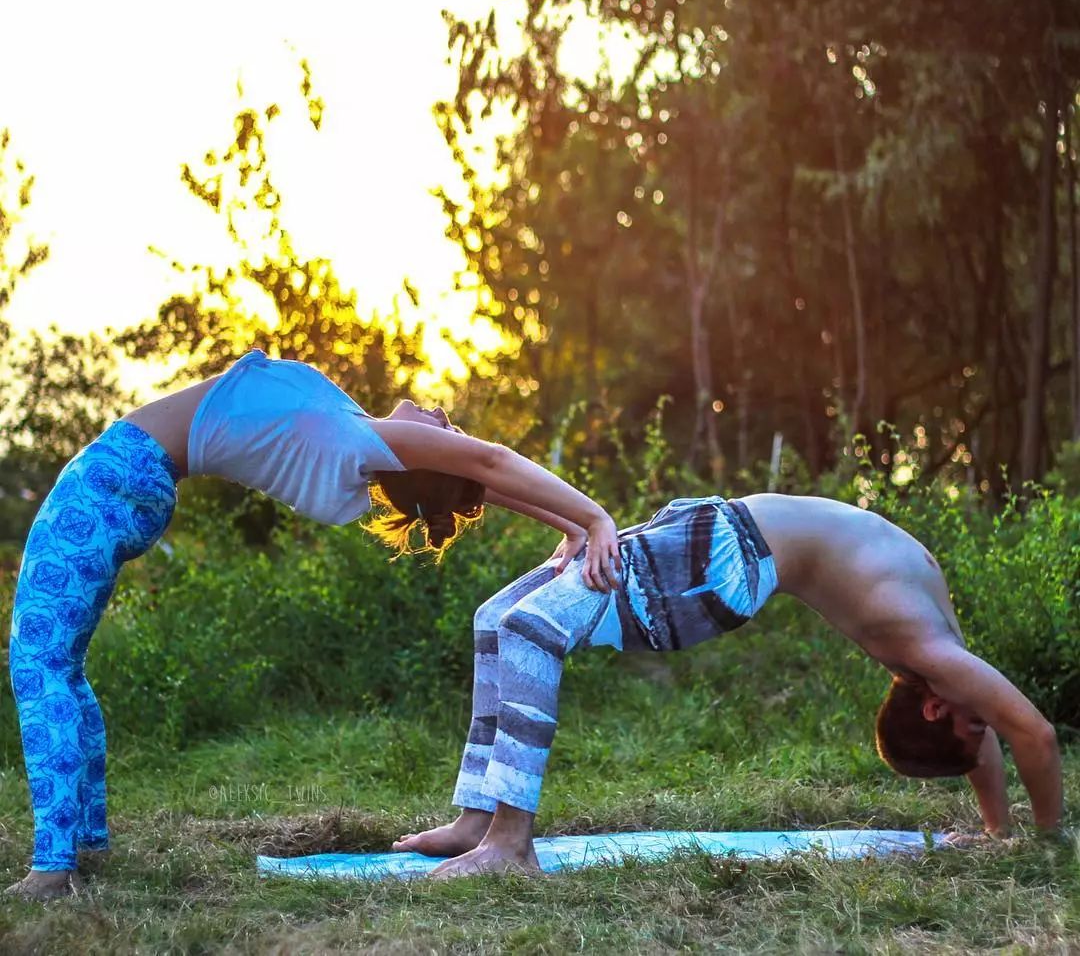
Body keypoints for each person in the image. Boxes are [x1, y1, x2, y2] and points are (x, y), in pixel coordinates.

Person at [5, 348, 622, 900]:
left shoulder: (360, 444)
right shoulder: (353, 432)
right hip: (123, 478)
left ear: (418, 459)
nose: (439, 410)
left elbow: (485, 461)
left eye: (446, 426)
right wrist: (564, 525)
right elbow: (478, 477)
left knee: (42, 666)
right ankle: (82, 842)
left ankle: (55, 869)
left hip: (109, 480)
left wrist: (594, 520)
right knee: (60, 665)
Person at [392, 493, 1062, 878]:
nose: (989, 725)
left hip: (715, 537)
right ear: (939, 702)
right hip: (719, 553)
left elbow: (987, 733)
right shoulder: (930, 650)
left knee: (516, 624)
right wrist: (1049, 839)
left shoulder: (936, 657)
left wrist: (999, 828)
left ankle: (496, 832)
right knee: (509, 625)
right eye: (979, 724)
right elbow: (1036, 732)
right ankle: (490, 832)